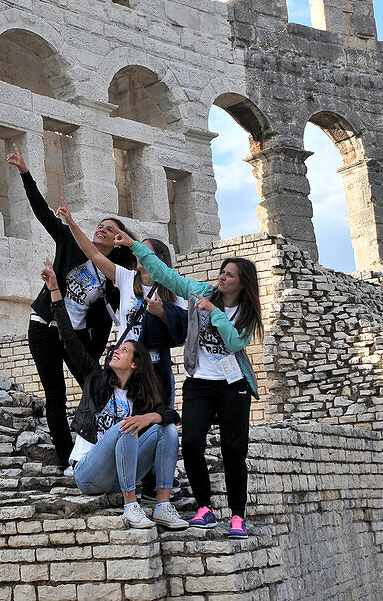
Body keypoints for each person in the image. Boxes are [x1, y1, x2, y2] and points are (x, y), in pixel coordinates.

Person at [114, 229, 263, 540]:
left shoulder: (248, 314)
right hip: (200, 382)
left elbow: (235, 342)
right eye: (222, 272)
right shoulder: (201, 291)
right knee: (192, 442)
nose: (223, 278)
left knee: (234, 451)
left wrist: (215, 313)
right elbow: (167, 276)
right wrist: (136, 248)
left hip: (232, 385)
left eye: (230, 275)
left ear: (242, 283)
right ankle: (205, 507)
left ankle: (237, 516)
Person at [5, 144, 134, 468]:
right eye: (100, 226)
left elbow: (113, 316)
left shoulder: (114, 276)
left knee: (97, 387)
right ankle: (67, 462)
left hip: (75, 338)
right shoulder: (69, 242)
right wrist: (25, 172)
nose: (101, 230)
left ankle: (101, 448)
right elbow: (42, 213)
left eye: (109, 230)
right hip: (45, 327)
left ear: (117, 241)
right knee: (55, 395)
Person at [41, 260, 187, 530]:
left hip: (122, 474)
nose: (115, 351)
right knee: (127, 426)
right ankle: (131, 506)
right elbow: (69, 338)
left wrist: (149, 418)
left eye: (124, 351)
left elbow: (171, 414)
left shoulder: (141, 393)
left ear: (135, 364)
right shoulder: (95, 379)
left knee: (165, 429)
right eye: (116, 350)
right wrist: (54, 290)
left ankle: (163, 506)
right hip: (89, 472)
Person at [54, 198, 185, 403]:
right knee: (122, 417)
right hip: (125, 363)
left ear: (159, 258)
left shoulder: (174, 290)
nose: (140, 254)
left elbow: (183, 334)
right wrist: (71, 222)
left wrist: (162, 312)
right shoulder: (126, 278)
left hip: (155, 364)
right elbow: (93, 253)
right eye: (138, 249)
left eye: (146, 251)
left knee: (156, 417)